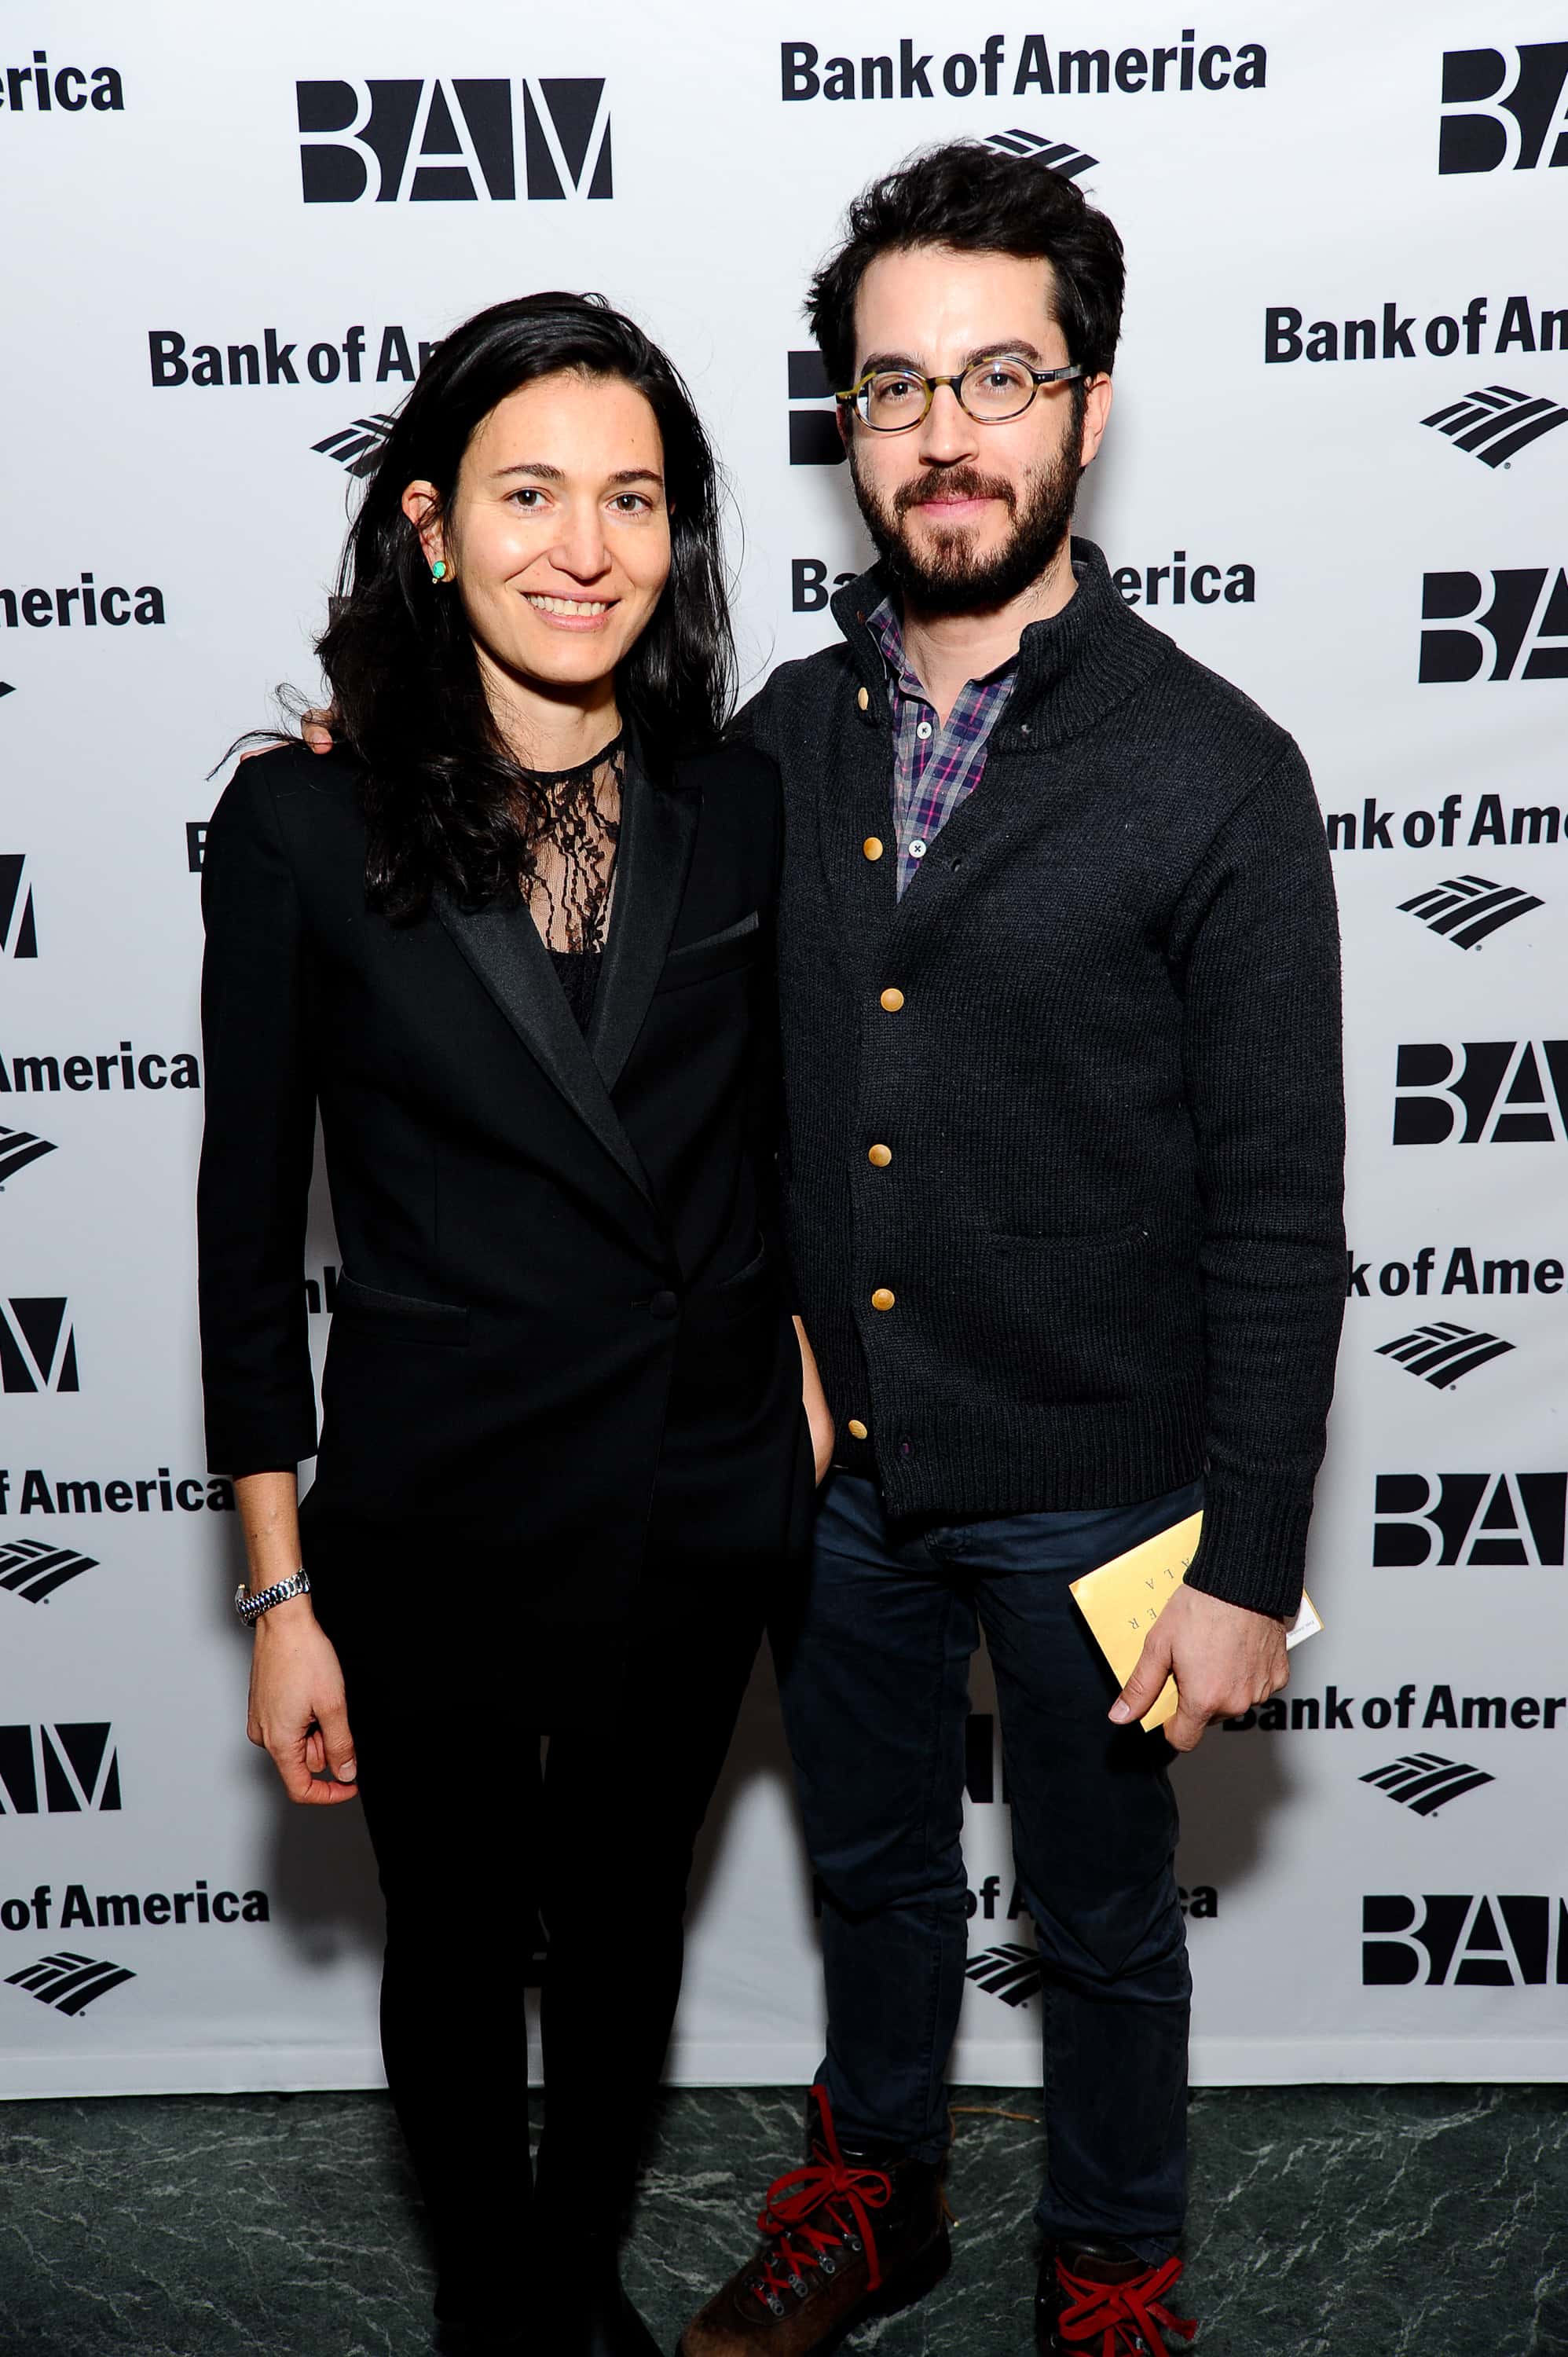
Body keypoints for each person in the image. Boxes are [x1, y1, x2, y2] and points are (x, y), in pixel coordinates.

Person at [676, 145, 1346, 2357]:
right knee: (868, 1879)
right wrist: (357, 771)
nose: (943, 435)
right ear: (844, 425)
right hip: (839, 1486)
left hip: (1105, 1487)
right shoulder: (776, 739)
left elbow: (1273, 1203)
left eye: (994, 378)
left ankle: (1111, 2271)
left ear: (1088, 402)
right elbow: (597, 939)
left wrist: (1247, 1559)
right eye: (891, 389)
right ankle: (877, 2201)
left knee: (1100, 1920)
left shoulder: (1215, 771)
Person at [196, 291, 830, 2357]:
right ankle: (495, 2297)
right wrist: (277, 1587)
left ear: (679, 533)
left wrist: (806, 1402)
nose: (585, 546)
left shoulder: (742, 803)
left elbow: (806, 1133)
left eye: (632, 498)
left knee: (629, 1919)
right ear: (428, 525)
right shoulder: (300, 820)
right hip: (438, 1500)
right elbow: (237, 1226)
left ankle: (572, 2281)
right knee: (459, 1936)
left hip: (690, 1483)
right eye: (530, 492)